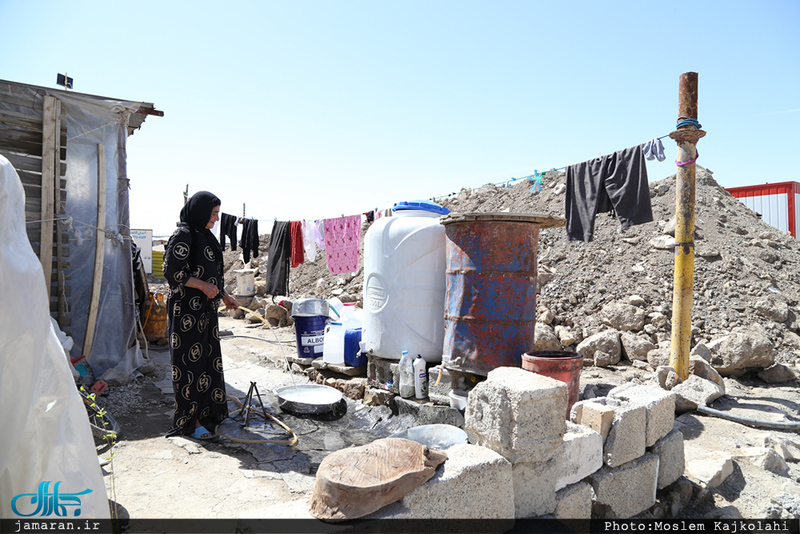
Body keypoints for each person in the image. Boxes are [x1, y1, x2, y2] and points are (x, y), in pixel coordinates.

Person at [163, 191, 238, 440]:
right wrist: (203, 287)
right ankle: (190, 422)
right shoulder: (183, 235)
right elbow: (172, 271)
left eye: (217, 214)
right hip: (186, 313)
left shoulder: (205, 235)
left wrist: (223, 294)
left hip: (205, 311)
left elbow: (210, 274)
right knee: (189, 367)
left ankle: (206, 415)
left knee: (207, 363)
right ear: (200, 211)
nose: (216, 219)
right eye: (213, 213)